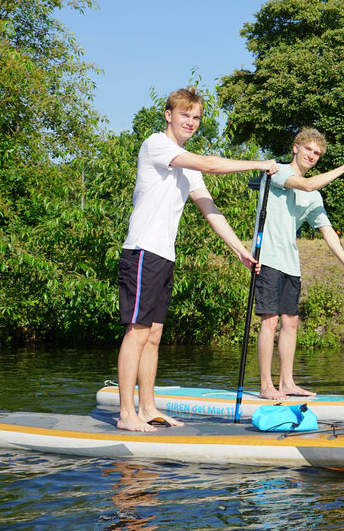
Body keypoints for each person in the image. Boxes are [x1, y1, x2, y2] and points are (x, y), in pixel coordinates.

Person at [117, 87, 277, 432]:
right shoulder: (156, 145)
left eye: (196, 117)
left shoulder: (186, 165)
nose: (191, 121)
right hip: (142, 250)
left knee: (155, 335)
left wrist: (239, 250)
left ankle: (147, 408)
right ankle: (125, 414)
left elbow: (209, 209)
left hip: (163, 254)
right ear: (169, 115)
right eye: (185, 115)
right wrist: (259, 163)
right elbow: (211, 164)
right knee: (137, 331)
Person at [254, 127, 344, 400]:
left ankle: (287, 383)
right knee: (269, 322)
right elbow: (307, 184)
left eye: (317, 153)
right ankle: (266, 384)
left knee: (290, 323)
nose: (312, 155)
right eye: (308, 149)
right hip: (267, 256)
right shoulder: (277, 171)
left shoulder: (315, 197)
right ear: (296, 147)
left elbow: (328, 232)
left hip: (291, 262)